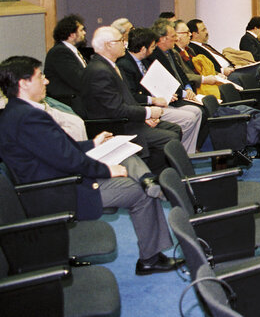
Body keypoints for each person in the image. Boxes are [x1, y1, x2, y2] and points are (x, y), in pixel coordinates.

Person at [0, 55, 184, 276]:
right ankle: (150, 257)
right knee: (138, 194)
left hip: (60, 178)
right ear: (23, 83)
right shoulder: (28, 117)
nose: (46, 81)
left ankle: (149, 180)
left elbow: (56, 150)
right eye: (41, 76)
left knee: (124, 152)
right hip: (59, 190)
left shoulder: (18, 111)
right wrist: (106, 170)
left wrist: (92, 143)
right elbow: (67, 160)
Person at [82, 26, 180, 173]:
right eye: (121, 40)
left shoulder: (110, 65)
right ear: (108, 45)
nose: (125, 44)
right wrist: (148, 112)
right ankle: (152, 175)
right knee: (170, 138)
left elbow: (128, 99)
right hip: (116, 126)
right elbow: (116, 109)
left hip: (127, 119)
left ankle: (159, 172)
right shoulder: (99, 71)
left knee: (174, 128)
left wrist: (144, 116)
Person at [117, 27, 203, 154]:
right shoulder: (125, 65)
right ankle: (181, 155)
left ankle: (187, 153)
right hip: (147, 107)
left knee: (196, 111)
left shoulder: (144, 61)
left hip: (160, 101)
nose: (154, 49)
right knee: (189, 118)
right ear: (143, 49)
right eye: (152, 47)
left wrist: (166, 94)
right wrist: (155, 99)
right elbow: (132, 95)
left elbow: (154, 84)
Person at [44, 14, 88, 115]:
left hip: (78, 99)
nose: (84, 33)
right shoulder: (60, 52)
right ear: (72, 34)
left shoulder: (72, 51)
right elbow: (77, 80)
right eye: (81, 30)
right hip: (69, 102)